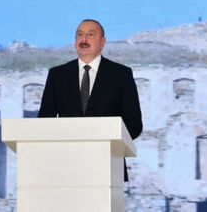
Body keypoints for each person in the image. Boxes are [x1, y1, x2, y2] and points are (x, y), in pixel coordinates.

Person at [38, 19, 143, 181]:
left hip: (108, 164)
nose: (84, 39)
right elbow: (44, 121)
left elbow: (134, 123)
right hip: (65, 165)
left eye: (90, 35)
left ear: (102, 42)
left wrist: (107, 138)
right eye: (79, 34)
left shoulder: (121, 75)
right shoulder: (57, 75)